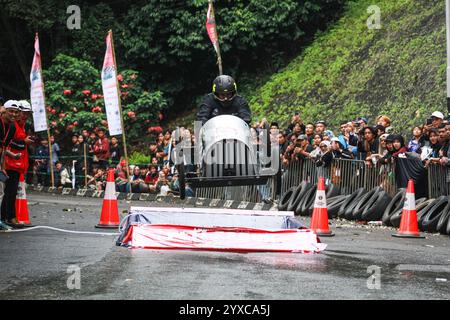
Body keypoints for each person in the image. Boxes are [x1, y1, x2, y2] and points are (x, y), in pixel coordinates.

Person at [0, 100, 20, 228]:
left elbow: (4, 147)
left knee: (1, 191)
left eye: (16, 112)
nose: (13, 114)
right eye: (11, 111)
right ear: (4, 111)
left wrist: (2, 167)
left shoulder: (12, 127)